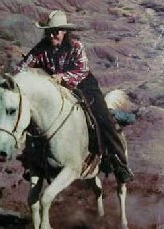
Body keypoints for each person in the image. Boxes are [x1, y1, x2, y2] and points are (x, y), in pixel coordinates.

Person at [14, 10, 134, 183]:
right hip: (56, 89)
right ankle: (35, 162)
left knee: (103, 118)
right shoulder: (41, 49)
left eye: (57, 31)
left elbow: (82, 70)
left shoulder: (76, 46)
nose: (52, 34)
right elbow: (23, 66)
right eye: (49, 31)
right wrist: (12, 80)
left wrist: (63, 77)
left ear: (65, 32)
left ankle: (118, 163)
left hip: (83, 85)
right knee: (35, 119)